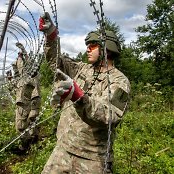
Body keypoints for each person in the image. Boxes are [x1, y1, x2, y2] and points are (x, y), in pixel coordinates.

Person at [39, 12, 131, 173]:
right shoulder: (81, 68)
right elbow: (56, 63)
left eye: (92, 46)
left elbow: (110, 116)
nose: (87, 49)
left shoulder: (120, 81)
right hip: (64, 149)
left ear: (106, 48)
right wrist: (51, 36)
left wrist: (78, 96)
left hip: (93, 158)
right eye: (87, 46)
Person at [12, 42, 41, 152]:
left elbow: (23, 66)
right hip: (33, 100)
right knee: (32, 121)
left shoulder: (28, 75)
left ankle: (24, 146)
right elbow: (19, 69)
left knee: (21, 124)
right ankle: (33, 144)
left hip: (25, 101)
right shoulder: (33, 75)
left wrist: (22, 53)